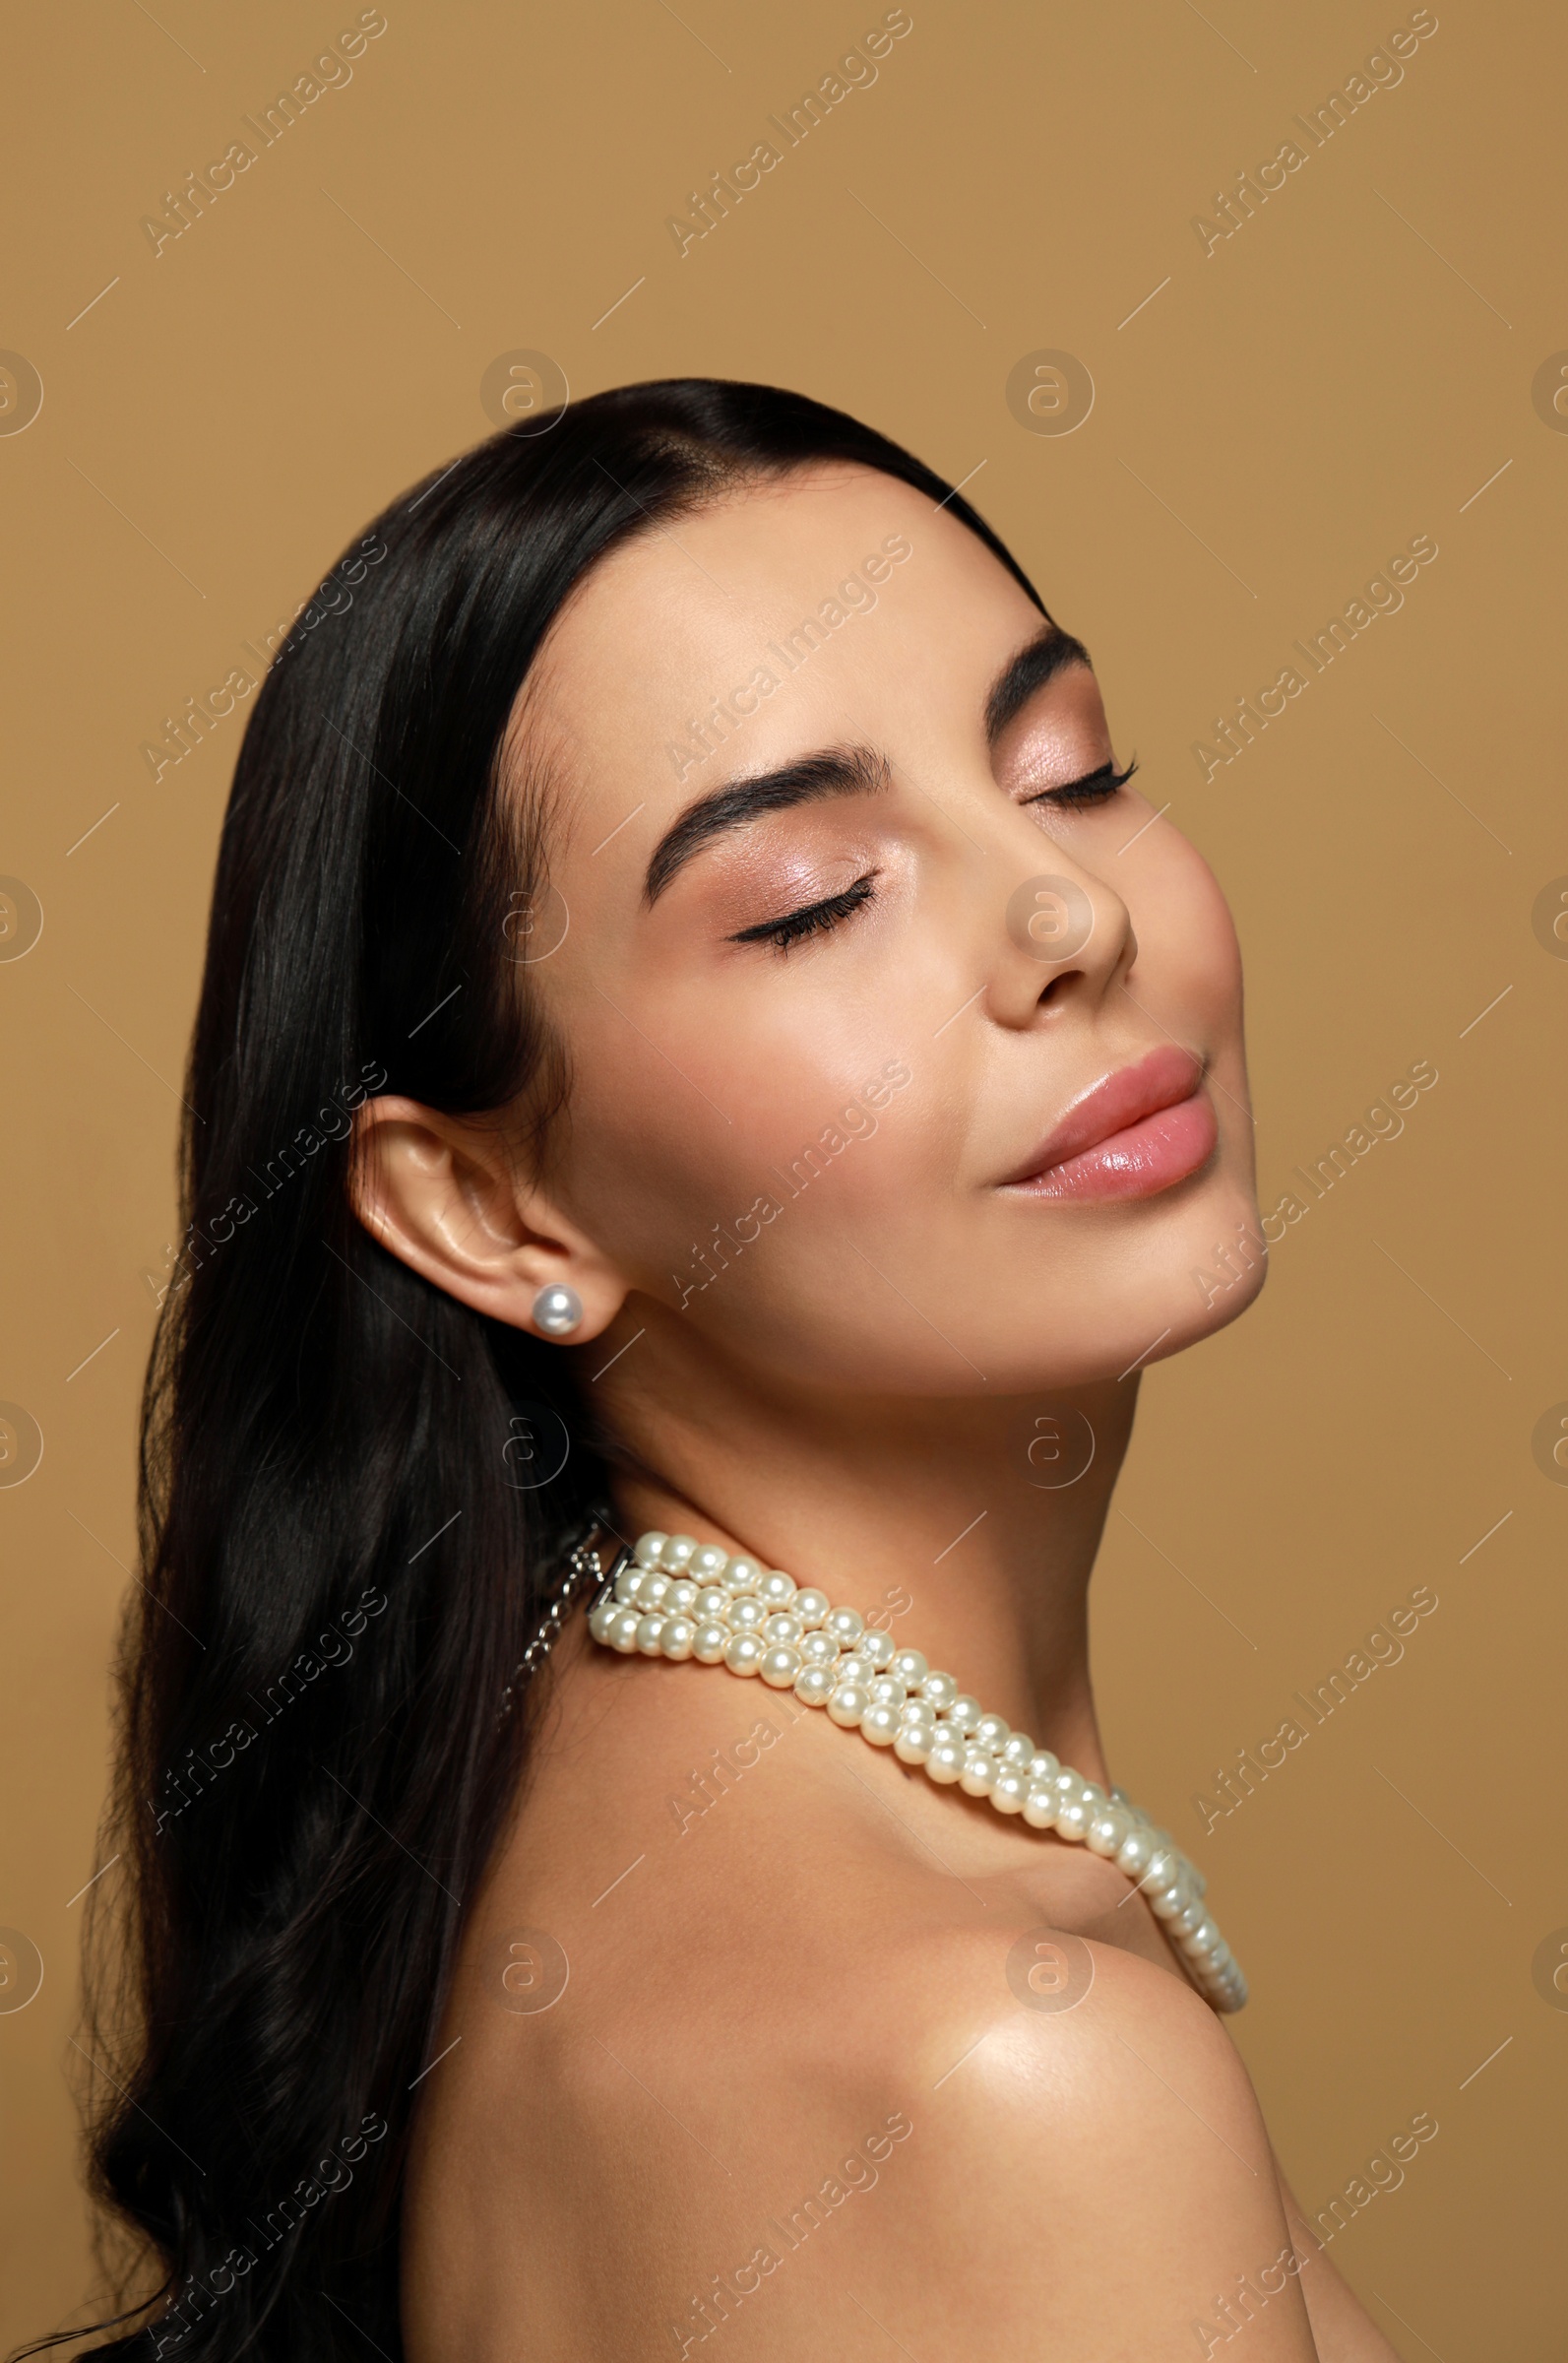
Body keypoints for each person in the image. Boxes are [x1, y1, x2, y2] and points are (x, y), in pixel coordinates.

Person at [65, 380, 1397, 2360]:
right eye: (812, 899)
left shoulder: (563, 1781)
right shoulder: (997, 2070)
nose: (1067, 914)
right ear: (487, 1210)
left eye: (1067, 769)